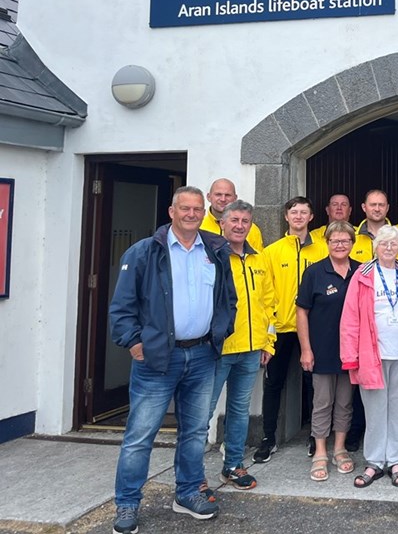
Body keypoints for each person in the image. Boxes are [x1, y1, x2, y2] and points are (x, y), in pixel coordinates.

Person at [108, 186, 236, 533]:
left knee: (195, 432)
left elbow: (228, 299)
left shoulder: (215, 250)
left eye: (197, 209)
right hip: (156, 360)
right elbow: (122, 307)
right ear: (171, 211)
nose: (192, 214)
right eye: (185, 208)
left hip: (202, 355)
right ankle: (127, 503)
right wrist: (135, 343)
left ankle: (188, 492)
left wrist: (220, 334)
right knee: (140, 435)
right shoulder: (145, 252)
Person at [341, 225, 398, 488]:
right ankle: (374, 462)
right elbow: (350, 318)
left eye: (394, 243)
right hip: (373, 354)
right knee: (376, 409)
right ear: (375, 246)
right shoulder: (363, 274)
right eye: (384, 243)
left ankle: (396, 460)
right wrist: (350, 355)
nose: (389, 248)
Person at [209, 200, 275, 493]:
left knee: (239, 410)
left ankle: (233, 465)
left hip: (251, 349)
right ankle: (190, 475)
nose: (239, 226)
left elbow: (268, 305)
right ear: (222, 223)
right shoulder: (210, 258)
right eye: (234, 220)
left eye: (245, 221)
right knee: (202, 412)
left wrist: (268, 342)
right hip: (217, 351)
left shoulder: (259, 260)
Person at [255, 197, 328, 463]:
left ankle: (314, 435)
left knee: (314, 384)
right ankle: (268, 438)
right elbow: (264, 295)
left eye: (303, 212)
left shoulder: (322, 249)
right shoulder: (272, 252)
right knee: (274, 383)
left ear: (311, 217)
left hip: (312, 328)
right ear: (286, 216)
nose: (298, 216)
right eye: (293, 212)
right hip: (282, 328)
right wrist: (268, 332)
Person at [297, 221, 360, 482]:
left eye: (345, 240)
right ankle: (320, 451)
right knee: (322, 402)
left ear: (353, 243)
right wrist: (306, 349)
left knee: (345, 402)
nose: (340, 245)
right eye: (335, 240)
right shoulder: (314, 273)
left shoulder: (361, 271)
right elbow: (302, 311)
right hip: (321, 349)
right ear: (327, 242)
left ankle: (340, 448)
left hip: (351, 351)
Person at [201, 178, 265, 252]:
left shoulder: (252, 230)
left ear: (235, 198)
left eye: (227, 195)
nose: (223, 199)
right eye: (218, 194)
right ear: (209, 197)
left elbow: (258, 259)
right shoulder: (199, 227)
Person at [349, 189, 391, 263]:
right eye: (373, 205)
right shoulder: (351, 240)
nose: (377, 209)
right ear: (364, 207)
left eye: (381, 205)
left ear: (387, 208)